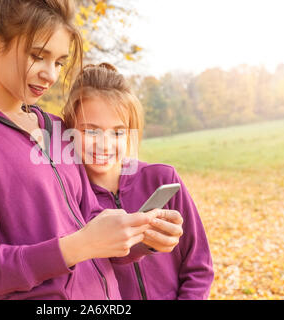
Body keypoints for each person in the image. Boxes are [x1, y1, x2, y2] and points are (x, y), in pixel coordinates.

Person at [0, 0, 180, 300]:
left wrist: (140, 238)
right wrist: (79, 246)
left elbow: (89, 222)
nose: (51, 75)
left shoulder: (55, 127)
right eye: (38, 56)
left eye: (59, 62)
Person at [63, 63, 214, 300]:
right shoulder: (69, 200)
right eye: (91, 131)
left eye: (118, 132)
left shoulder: (162, 179)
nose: (105, 144)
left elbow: (199, 266)